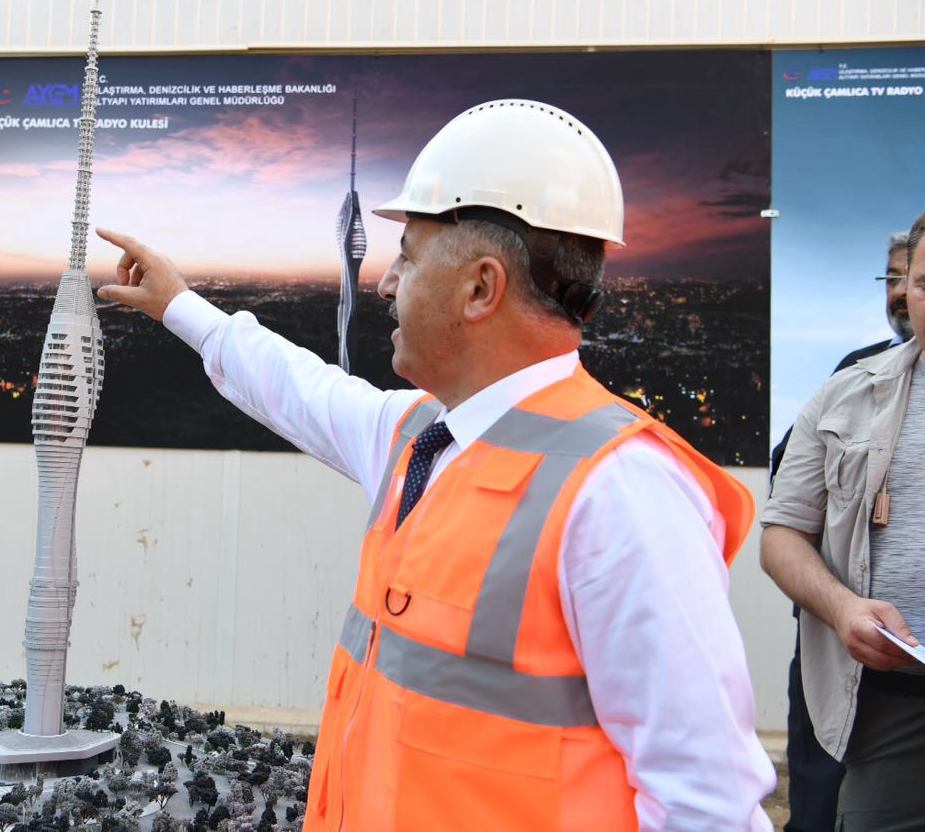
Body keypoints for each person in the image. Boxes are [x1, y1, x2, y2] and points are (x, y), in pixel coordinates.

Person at [98, 100, 774, 830]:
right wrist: (179, 306)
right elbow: (299, 390)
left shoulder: (621, 493)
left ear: (481, 288)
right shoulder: (423, 436)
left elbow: (707, 804)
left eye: (410, 256)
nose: (386, 283)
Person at [761, 212, 925, 831]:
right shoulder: (848, 392)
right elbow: (783, 532)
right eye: (921, 282)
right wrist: (842, 607)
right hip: (885, 702)